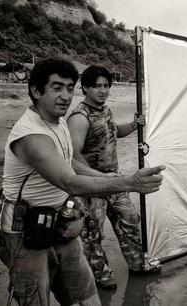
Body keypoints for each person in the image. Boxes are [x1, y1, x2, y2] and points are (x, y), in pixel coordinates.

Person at [0, 57, 165, 305]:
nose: (65, 95)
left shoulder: (59, 122)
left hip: (61, 224)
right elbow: (70, 180)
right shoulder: (32, 135)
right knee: (34, 300)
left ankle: (135, 263)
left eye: (69, 87)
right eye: (56, 87)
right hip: (26, 232)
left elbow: (69, 161)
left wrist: (99, 185)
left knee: (86, 297)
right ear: (35, 90)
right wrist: (129, 182)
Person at [67, 65, 151, 290]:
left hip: (116, 181)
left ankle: (138, 263)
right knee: (93, 233)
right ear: (85, 87)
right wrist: (98, 180)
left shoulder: (105, 110)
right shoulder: (79, 117)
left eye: (106, 86)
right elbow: (72, 157)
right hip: (92, 185)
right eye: (97, 86)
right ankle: (101, 274)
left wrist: (134, 125)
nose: (103, 91)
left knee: (131, 221)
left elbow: (114, 132)